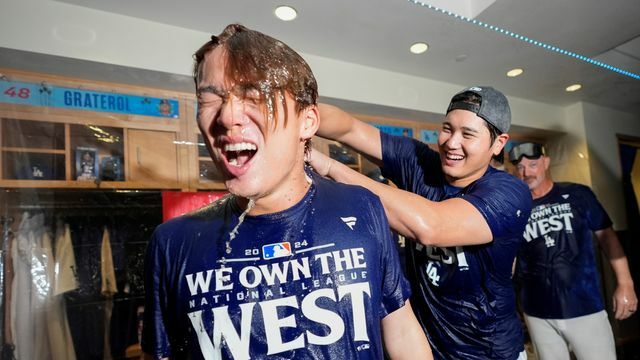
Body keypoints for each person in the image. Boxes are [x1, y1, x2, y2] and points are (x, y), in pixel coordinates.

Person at [141, 24, 431, 360]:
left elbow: (402, 330)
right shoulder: (173, 243)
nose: (227, 116)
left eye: (254, 95)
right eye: (211, 98)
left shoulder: (362, 207)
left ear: (307, 122)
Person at [309, 86, 533, 359]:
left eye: (468, 134)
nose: (451, 142)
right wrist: (296, 115)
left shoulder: (509, 193)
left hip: (490, 352)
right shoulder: (419, 162)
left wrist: (331, 167)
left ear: (498, 143)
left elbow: (431, 227)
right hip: (427, 350)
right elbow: (348, 129)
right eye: (447, 128)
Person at [509, 142, 638, 360]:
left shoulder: (578, 194)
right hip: (537, 312)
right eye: (520, 167)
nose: (526, 172)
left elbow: (608, 238)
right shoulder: (514, 209)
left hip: (584, 307)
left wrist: (625, 284)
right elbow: (510, 257)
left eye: (532, 164)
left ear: (546, 162)